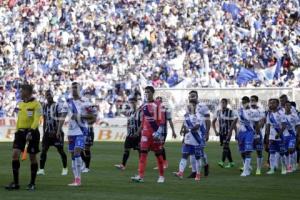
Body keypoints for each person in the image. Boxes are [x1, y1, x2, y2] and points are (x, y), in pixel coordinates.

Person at [5, 84, 42, 191]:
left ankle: (32, 183)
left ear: (27, 92)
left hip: (32, 133)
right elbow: (19, 119)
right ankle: (16, 183)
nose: (20, 93)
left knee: (32, 157)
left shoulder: (37, 104)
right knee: (15, 155)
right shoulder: (20, 104)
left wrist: (31, 131)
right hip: (20, 133)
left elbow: (36, 119)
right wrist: (17, 131)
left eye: (22, 91)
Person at [131, 86, 166, 183]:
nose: (146, 93)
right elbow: (143, 120)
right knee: (142, 155)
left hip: (155, 134)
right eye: (145, 92)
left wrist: (159, 132)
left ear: (153, 93)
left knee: (158, 155)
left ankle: (161, 176)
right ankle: (141, 176)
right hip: (145, 134)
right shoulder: (144, 105)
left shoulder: (158, 104)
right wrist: (140, 131)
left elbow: (162, 119)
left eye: (148, 92)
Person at [65, 82, 96, 186]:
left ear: (80, 89)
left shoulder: (85, 101)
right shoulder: (68, 101)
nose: (74, 89)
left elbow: (93, 117)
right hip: (71, 131)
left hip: (81, 131)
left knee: (77, 152)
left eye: (76, 88)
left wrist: (79, 116)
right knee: (73, 155)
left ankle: (79, 177)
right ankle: (76, 179)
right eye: (72, 87)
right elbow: (65, 115)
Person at [37, 90, 68, 176]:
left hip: (56, 132)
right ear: (45, 96)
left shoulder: (57, 105)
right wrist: (44, 132)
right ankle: (41, 169)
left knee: (60, 150)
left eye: (50, 95)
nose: (49, 96)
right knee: (43, 150)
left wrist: (57, 130)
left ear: (53, 95)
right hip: (47, 133)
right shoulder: (44, 106)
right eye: (47, 95)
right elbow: (45, 120)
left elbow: (60, 118)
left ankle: (65, 168)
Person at [173, 103, 204, 181]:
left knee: (197, 158)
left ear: (194, 107)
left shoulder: (198, 116)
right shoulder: (186, 116)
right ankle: (180, 173)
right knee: (184, 156)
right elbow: (185, 125)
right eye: (188, 106)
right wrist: (183, 133)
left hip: (196, 140)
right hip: (187, 139)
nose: (189, 108)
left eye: (191, 106)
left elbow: (197, 126)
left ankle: (198, 174)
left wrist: (189, 130)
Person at [233, 96, 261, 176]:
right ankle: (248, 167)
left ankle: (245, 171)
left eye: (245, 102)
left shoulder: (254, 111)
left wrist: (258, 135)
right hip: (241, 133)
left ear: (249, 102)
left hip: (250, 132)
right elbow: (235, 122)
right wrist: (233, 133)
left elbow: (256, 124)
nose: (244, 103)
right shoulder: (239, 111)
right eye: (243, 102)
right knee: (242, 152)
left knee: (248, 151)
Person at [115, 95, 142, 170]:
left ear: (136, 102)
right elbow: (129, 122)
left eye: (133, 102)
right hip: (130, 134)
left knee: (139, 151)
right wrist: (127, 131)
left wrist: (138, 132)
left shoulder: (140, 112)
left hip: (138, 134)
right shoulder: (130, 112)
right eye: (131, 102)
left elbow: (142, 123)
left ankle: (141, 167)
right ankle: (123, 165)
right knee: (126, 149)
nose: (132, 104)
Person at [187, 91, 210, 178]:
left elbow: (208, 120)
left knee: (201, 152)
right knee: (191, 151)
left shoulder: (203, 106)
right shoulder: (188, 107)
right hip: (191, 133)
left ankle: (206, 165)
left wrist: (207, 132)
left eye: (193, 96)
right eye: (190, 96)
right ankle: (194, 171)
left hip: (201, 133)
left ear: (197, 97)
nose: (191, 98)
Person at [212, 98, 237, 168]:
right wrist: (215, 131)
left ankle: (222, 161)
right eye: (222, 103)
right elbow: (213, 122)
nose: (223, 104)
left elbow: (233, 123)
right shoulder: (218, 112)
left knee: (225, 146)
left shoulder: (230, 112)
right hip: (221, 133)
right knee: (226, 147)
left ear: (226, 104)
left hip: (228, 132)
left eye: (224, 103)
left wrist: (236, 132)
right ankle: (231, 162)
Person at [153, 96, 177, 170]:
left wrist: (173, 131)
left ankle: (164, 163)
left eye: (159, 101)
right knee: (157, 147)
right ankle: (161, 164)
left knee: (160, 147)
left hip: (163, 130)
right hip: (156, 130)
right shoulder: (154, 110)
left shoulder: (166, 110)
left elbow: (170, 121)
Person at [265, 98, 287, 175]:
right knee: (271, 154)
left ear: (277, 104)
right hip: (271, 137)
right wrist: (267, 137)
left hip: (280, 137)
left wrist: (279, 133)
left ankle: (284, 168)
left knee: (282, 153)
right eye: (270, 103)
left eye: (273, 103)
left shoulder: (281, 113)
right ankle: (272, 169)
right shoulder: (269, 114)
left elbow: (284, 125)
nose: (271, 104)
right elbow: (267, 125)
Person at [81, 91, 98, 173]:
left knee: (87, 148)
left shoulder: (91, 106)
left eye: (88, 95)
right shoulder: (81, 105)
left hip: (89, 129)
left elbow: (94, 119)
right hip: (80, 129)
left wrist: (86, 120)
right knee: (79, 147)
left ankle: (87, 167)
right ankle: (84, 163)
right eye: (86, 95)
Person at [282, 101, 300, 173]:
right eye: (286, 105)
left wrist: (297, 134)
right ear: (284, 107)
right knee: (286, 152)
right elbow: (282, 126)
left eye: (289, 106)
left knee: (291, 150)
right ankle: (288, 165)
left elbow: (298, 125)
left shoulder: (295, 115)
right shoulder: (282, 116)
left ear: (291, 107)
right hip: (284, 135)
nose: (287, 107)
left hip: (292, 135)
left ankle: (291, 167)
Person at [250, 95, 266, 175]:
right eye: (250, 100)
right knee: (247, 151)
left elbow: (262, 121)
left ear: (256, 101)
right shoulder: (247, 109)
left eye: (253, 100)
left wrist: (256, 129)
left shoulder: (261, 110)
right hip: (249, 134)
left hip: (258, 133)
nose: (251, 101)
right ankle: (247, 166)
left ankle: (258, 169)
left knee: (259, 151)